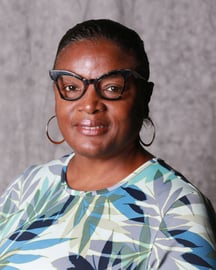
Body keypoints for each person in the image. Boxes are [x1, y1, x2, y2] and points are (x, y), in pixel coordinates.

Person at [0, 19, 215, 270]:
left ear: (145, 96)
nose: (90, 104)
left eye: (112, 88)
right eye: (71, 87)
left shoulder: (177, 209)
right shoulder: (31, 184)